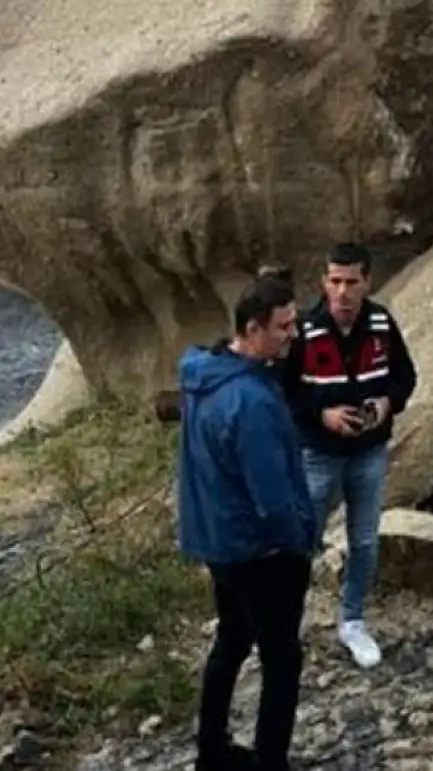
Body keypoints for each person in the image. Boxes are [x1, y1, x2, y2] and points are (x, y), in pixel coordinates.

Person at [177, 275, 318, 771]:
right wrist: (301, 541)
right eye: (283, 327)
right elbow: (272, 494)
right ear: (254, 329)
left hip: (218, 541)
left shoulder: (201, 373)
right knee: (282, 663)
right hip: (261, 552)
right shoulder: (252, 400)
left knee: (232, 640)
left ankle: (210, 749)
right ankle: (271, 762)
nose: (292, 335)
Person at [278, 241, 417, 669]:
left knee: (365, 541)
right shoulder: (303, 329)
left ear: (366, 282)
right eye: (335, 281)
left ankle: (352, 621)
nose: (342, 292)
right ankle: (286, 626)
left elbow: (405, 376)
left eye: (351, 282)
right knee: (303, 540)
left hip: (368, 451)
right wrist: (322, 412)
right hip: (317, 453)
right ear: (323, 281)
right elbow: (284, 391)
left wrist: (384, 404)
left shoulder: (380, 322)